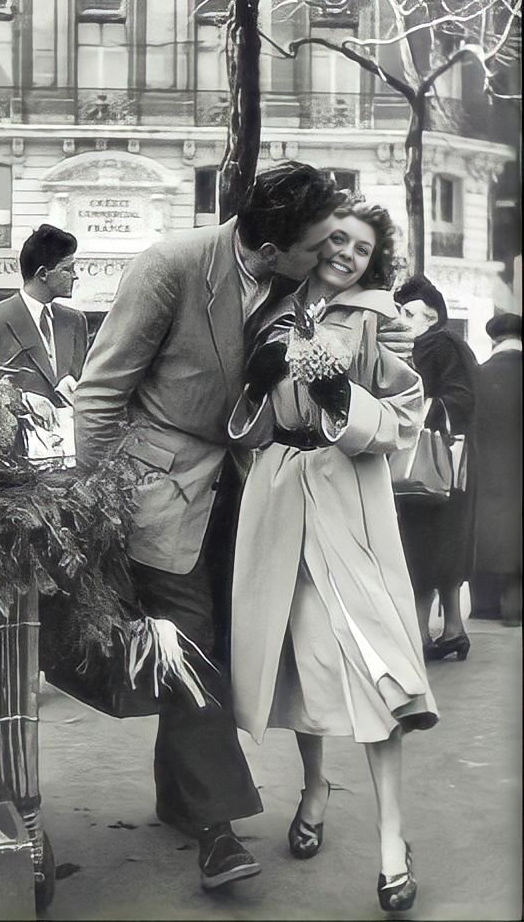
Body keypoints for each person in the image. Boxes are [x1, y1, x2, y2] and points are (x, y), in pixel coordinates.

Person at [73, 163, 415, 891]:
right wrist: (100, 508)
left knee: (219, 645)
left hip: (250, 491)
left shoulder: (304, 292)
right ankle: (220, 831)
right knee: (190, 644)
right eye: (319, 242)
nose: (330, 253)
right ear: (272, 251)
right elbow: (100, 393)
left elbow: (370, 379)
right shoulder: (171, 265)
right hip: (157, 488)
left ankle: (178, 795)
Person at [229, 197, 438, 914]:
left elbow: (407, 416)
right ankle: (315, 787)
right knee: (301, 661)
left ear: (373, 260)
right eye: (337, 239)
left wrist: (340, 399)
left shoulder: (382, 319)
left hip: (348, 505)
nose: (346, 252)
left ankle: (391, 839)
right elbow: (248, 432)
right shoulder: (270, 311)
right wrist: (257, 389)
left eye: (361, 246)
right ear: (316, 242)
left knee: (378, 667)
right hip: (281, 501)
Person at [393, 277, 479, 660]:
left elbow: (459, 397)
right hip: (450, 467)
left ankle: (424, 634)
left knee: (423, 546)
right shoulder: (444, 344)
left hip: (432, 463)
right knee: (445, 547)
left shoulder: (437, 344)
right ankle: (452, 631)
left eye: (409, 313)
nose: (401, 318)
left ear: (431, 317)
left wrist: (419, 410)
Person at [0, 224, 88, 408]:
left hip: (69, 433)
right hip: (15, 434)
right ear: (43, 274)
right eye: (67, 269)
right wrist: (22, 400)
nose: (75, 276)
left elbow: (84, 381)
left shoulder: (75, 321)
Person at [471, 313, 522, 627]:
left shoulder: (477, 375)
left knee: (490, 527)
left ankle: (487, 605)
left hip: (488, 471)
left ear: (494, 340)